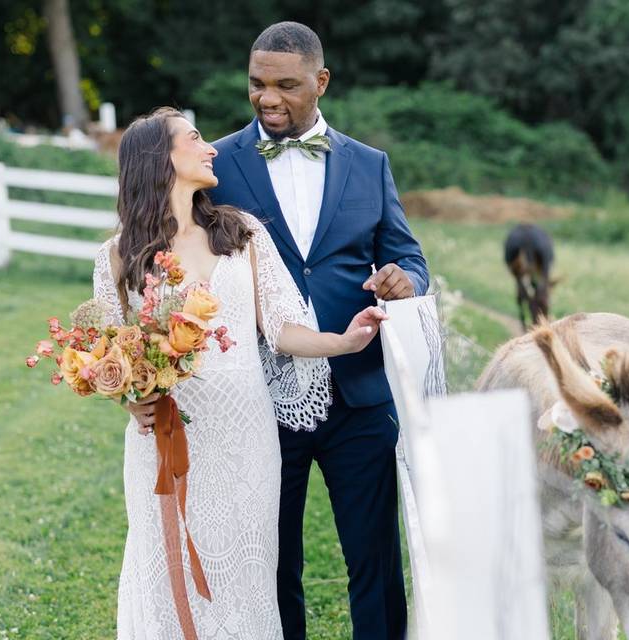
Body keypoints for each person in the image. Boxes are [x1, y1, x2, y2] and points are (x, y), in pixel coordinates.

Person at [93, 106, 388, 640]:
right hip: (168, 438)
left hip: (247, 435)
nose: (211, 149)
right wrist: (130, 396)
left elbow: (281, 327)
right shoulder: (117, 257)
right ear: (160, 159)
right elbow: (112, 353)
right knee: (168, 567)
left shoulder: (239, 231)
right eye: (196, 138)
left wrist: (344, 342)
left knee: (251, 576)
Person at [208, 22, 429, 640]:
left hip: (358, 396)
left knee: (375, 562)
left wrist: (404, 279)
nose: (267, 98)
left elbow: (411, 258)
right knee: (272, 565)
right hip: (258, 396)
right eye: (257, 84)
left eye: (285, 85)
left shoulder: (369, 165)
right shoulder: (216, 164)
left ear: (321, 82)